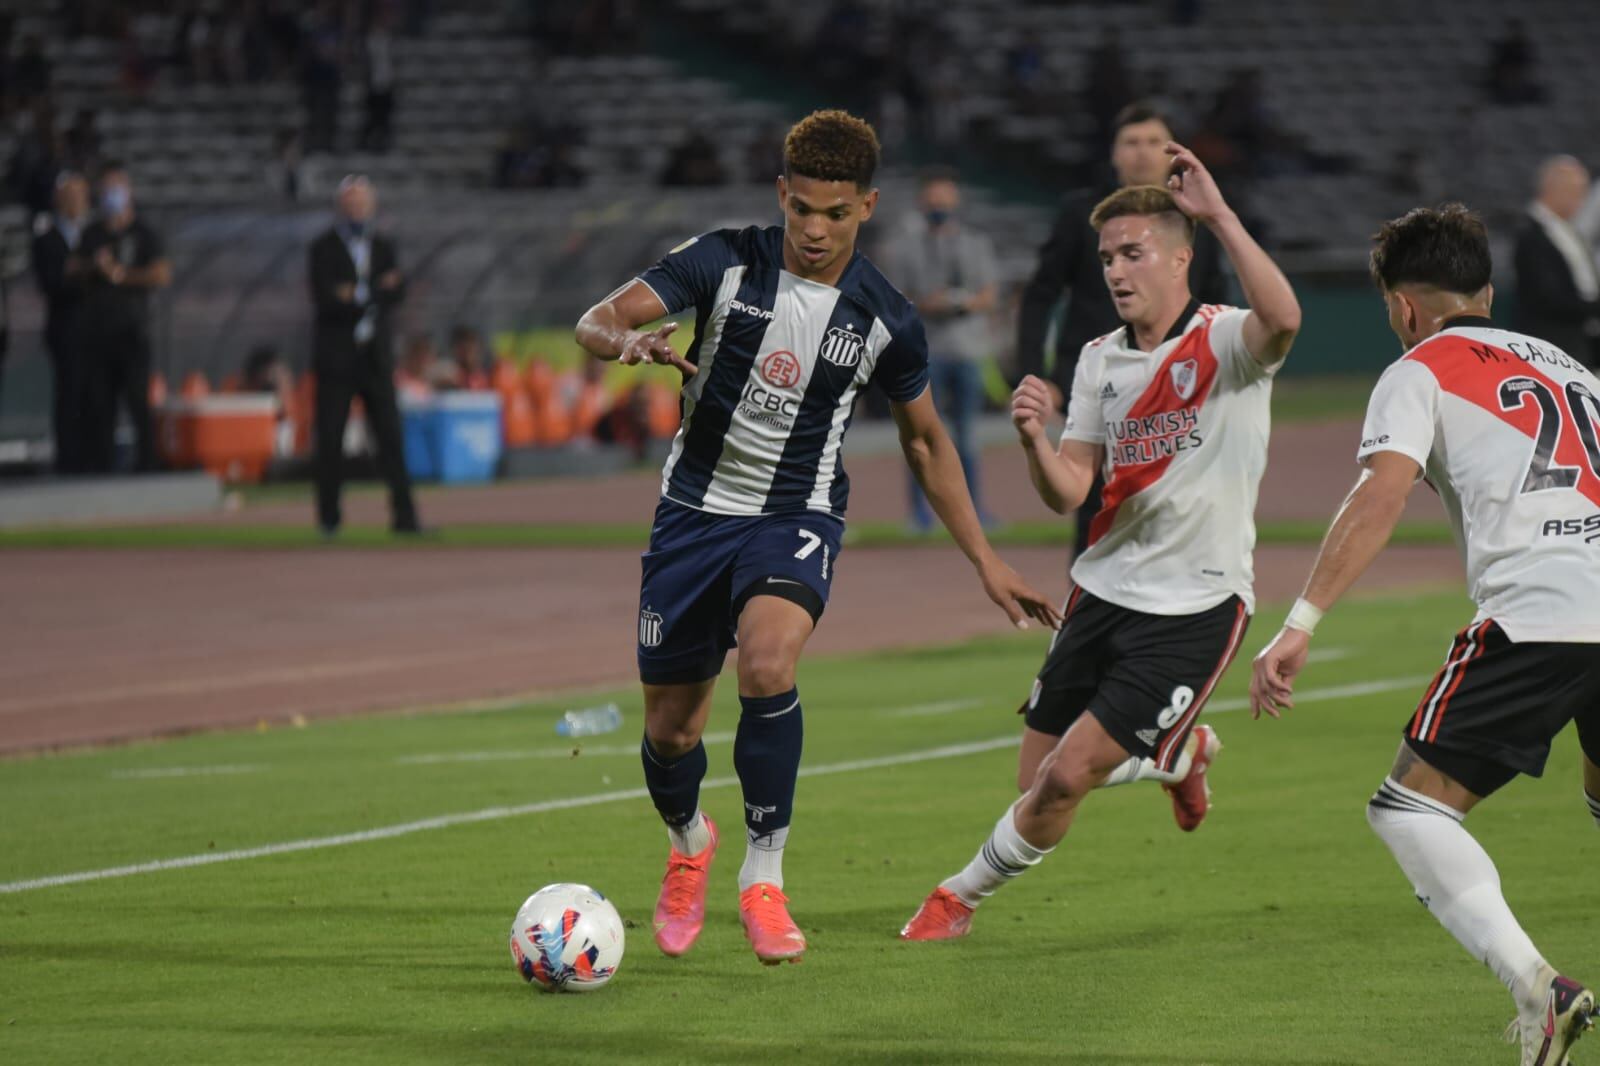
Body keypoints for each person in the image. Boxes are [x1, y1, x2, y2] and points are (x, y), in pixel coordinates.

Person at [573, 109, 1059, 967]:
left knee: (767, 664)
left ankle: (765, 878)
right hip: (692, 515)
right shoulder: (722, 260)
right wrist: (626, 342)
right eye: (802, 209)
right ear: (781, 196)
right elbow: (598, 317)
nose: (816, 229)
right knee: (671, 733)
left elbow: (925, 440)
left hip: (794, 516)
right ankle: (691, 844)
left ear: (865, 207)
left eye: (836, 213)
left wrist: (986, 560)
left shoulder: (884, 317)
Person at [901, 144, 1301, 941]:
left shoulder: (1227, 342)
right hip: (1103, 591)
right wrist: (1032, 442)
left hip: (1196, 606)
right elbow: (1072, 491)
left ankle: (955, 899)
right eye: (1107, 256)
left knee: (1064, 778)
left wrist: (1219, 211)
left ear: (1181, 258)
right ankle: (1178, 758)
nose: (1116, 271)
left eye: (1133, 252)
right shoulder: (1098, 361)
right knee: (1036, 788)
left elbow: (1285, 317)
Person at [1250, 204, 1600, 1066]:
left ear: (1405, 308)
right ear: (1487, 291)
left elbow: (1379, 495)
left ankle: (1538, 989)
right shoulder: (1579, 371)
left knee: (1409, 808)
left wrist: (1299, 623)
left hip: (1539, 613)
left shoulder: (1421, 366)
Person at [1015, 104, 1230, 559]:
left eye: (1154, 142)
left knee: (1180, 495)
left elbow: (1216, 301)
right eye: (1130, 142)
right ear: (1114, 154)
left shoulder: (1194, 219)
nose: (1142, 153)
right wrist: (1037, 375)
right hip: (1094, 376)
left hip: (1179, 381)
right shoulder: (1081, 215)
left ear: (1172, 153)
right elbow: (1040, 294)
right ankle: (1086, 604)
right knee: (1093, 499)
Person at [882, 168, 1000, 531]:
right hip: (924, 352)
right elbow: (895, 298)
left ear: (956, 202)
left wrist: (962, 304)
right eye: (933, 201)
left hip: (966, 349)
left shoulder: (975, 244)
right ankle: (919, 515)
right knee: (918, 437)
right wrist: (928, 304)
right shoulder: (903, 248)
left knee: (966, 437)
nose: (939, 207)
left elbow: (989, 294)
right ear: (922, 203)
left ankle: (973, 511)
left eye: (945, 201)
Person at [308, 174, 420, 535]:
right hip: (337, 357)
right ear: (341, 206)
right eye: (351, 203)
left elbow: (398, 290)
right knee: (330, 437)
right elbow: (327, 297)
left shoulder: (383, 245)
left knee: (390, 435)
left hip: (375, 355)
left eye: (362, 203)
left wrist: (356, 293)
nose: (357, 209)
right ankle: (329, 519)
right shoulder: (323, 248)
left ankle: (405, 517)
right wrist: (374, 291)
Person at [78, 161, 170, 473]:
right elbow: (72, 269)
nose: (112, 194)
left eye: (117, 187)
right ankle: (101, 469)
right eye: (107, 188)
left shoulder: (144, 232)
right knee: (101, 406)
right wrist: (95, 267)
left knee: (137, 402)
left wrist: (120, 274)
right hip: (98, 336)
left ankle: (147, 466)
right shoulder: (92, 234)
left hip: (133, 333)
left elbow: (160, 273)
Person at [1513, 156, 1599, 369]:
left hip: (1576, 342)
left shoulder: (1567, 231)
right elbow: (1548, 296)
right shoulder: (1530, 233)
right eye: (1577, 191)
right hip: (1550, 348)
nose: (1581, 199)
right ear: (1555, 188)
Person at [31, 170, 90, 474]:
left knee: (95, 398)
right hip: (65, 330)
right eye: (71, 195)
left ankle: (96, 459)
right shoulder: (46, 235)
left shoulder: (93, 232)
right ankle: (69, 463)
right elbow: (50, 279)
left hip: (97, 331)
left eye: (81, 194)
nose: (77, 201)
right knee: (68, 397)